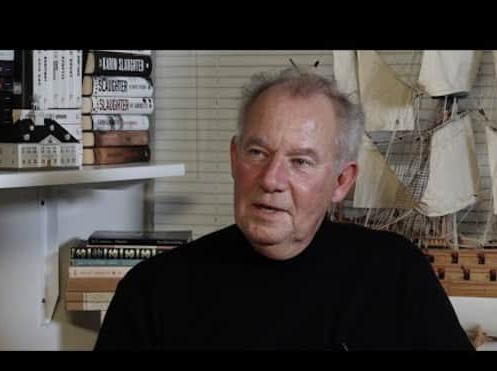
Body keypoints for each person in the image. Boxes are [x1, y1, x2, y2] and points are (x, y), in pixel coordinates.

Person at [94, 67, 474, 351]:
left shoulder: (396, 273)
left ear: (342, 181)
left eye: (301, 161)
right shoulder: (152, 291)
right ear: (234, 158)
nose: (271, 179)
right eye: (258, 153)